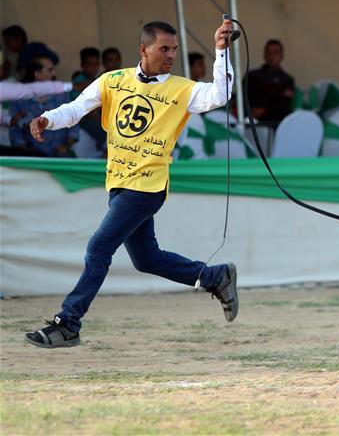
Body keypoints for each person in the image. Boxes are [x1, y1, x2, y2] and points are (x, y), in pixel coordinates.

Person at [24, 19, 239, 348]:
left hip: (147, 185)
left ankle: (68, 323)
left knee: (99, 248)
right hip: (119, 183)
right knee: (146, 259)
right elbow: (76, 108)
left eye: (173, 50)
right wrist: (47, 119)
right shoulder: (112, 80)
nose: (170, 55)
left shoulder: (181, 88)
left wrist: (221, 52)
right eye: (163, 48)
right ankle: (215, 276)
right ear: (144, 49)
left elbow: (220, 95)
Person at [8, 53, 78, 157]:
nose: (54, 73)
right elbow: (14, 127)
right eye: (50, 70)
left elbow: (73, 121)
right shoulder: (20, 98)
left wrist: (66, 146)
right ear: (37, 74)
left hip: (59, 155)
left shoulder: (61, 95)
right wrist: (23, 149)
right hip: (31, 157)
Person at [245, 39, 295, 123]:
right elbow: (243, 96)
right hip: (249, 119)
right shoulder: (252, 76)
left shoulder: (287, 80)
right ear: (264, 55)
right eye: (268, 53)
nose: (271, 56)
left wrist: (264, 110)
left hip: (275, 123)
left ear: (281, 55)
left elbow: (284, 104)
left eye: (275, 53)